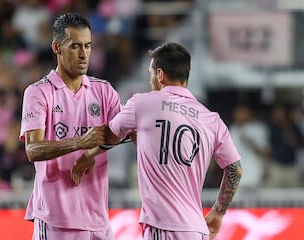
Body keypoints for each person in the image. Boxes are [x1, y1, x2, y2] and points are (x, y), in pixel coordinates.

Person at [72, 42, 242, 240]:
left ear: (160, 75)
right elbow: (235, 170)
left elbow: (109, 134)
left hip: (163, 227)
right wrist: (218, 212)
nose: (150, 79)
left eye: (150, 73)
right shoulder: (211, 119)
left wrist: (87, 156)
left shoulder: (143, 103)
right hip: (196, 230)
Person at [19, 13, 122, 240]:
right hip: (56, 220)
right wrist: (79, 142)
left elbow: (124, 131)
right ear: (57, 47)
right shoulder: (38, 92)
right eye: (75, 46)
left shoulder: (103, 91)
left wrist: (92, 153)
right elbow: (32, 150)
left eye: (88, 46)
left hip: (98, 220)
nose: (84, 54)